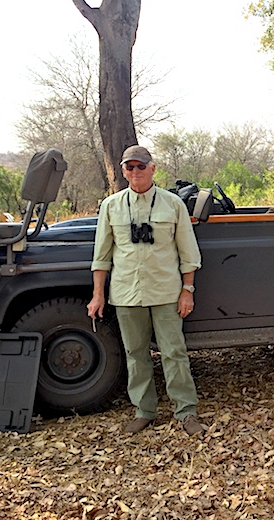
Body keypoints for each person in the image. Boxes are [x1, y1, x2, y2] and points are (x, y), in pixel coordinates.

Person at [87, 145, 206, 435]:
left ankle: (186, 411)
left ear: (153, 169)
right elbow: (101, 255)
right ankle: (144, 410)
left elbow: (188, 252)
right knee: (135, 354)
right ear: (123, 171)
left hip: (165, 291)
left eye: (141, 166)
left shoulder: (172, 204)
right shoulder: (111, 206)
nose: (136, 172)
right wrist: (98, 294)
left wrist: (187, 289)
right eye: (130, 167)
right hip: (127, 293)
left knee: (173, 352)